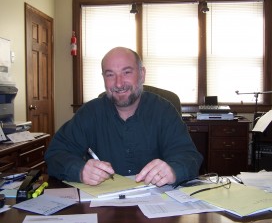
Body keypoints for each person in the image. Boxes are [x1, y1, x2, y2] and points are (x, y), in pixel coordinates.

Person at [45, 47, 203, 187]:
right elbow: (55, 154)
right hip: (104, 207)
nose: (119, 84)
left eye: (127, 72)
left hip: (157, 207)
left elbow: (189, 157)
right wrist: (79, 170)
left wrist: (174, 170)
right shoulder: (90, 113)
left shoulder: (164, 111)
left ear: (141, 74)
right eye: (110, 75)